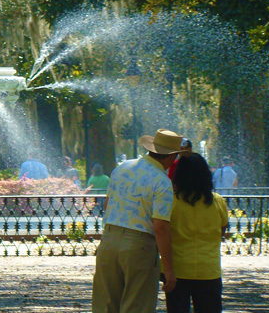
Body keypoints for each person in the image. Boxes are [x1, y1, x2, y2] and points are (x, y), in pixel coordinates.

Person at [92, 128, 184, 313]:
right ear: (172, 156)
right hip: (139, 246)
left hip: (109, 240)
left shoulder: (122, 168)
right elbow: (161, 227)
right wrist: (169, 270)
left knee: (105, 304)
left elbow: (107, 205)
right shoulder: (161, 181)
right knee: (137, 305)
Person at [164, 152, 229, 313]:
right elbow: (222, 230)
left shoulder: (170, 202)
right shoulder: (217, 201)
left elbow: (162, 232)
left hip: (177, 269)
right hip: (209, 270)